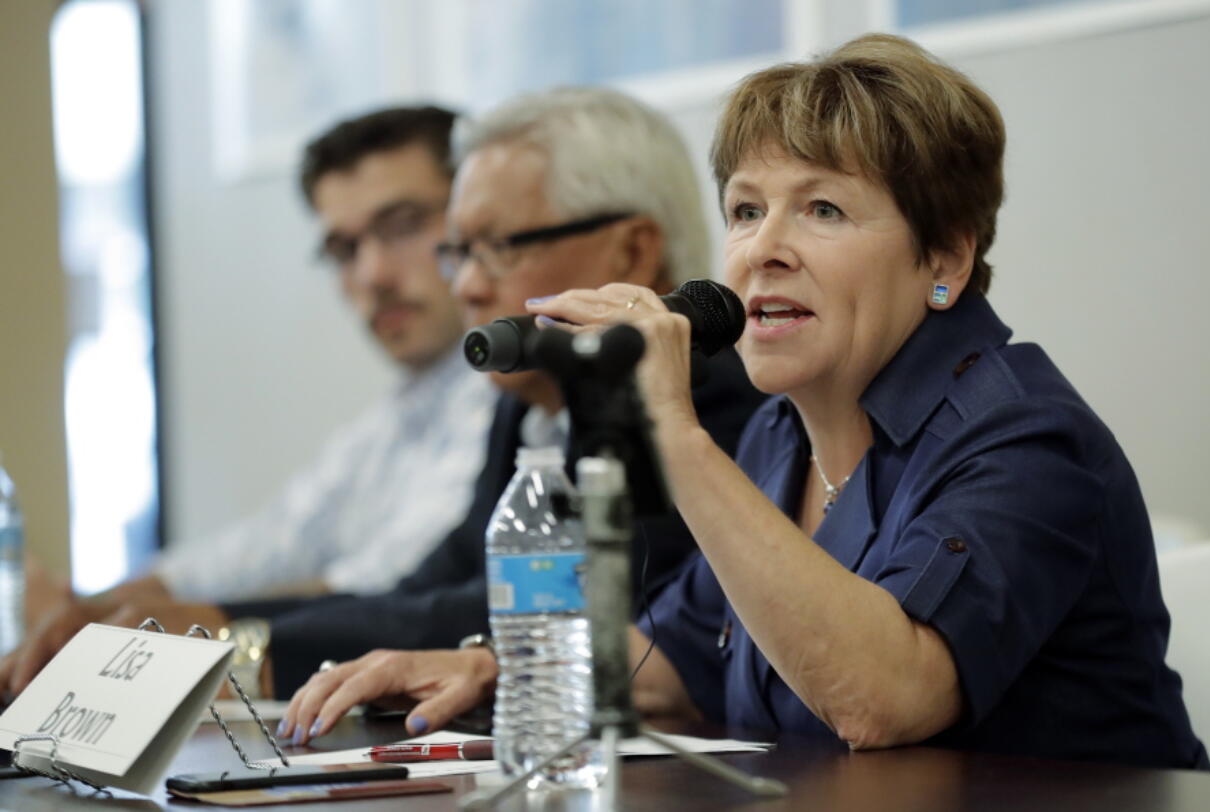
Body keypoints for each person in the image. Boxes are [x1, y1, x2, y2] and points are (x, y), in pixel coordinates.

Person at [280, 36, 1210, 771]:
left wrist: (673, 434)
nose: (763, 248)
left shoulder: (1025, 440)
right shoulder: (779, 435)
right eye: (744, 209)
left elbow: (882, 699)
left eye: (823, 210)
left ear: (946, 259)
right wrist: (486, 668)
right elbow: (666, 665)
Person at [1, 89, 766, 716]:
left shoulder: (699, 398)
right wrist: (217, 629)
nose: (466, 285)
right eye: (458, 251)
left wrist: (237, 642)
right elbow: (429, 589)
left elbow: (548, 612)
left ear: (632, 252)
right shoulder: (530, 400)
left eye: (499, 247)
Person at [1, 107, 496, 689]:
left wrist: (187, 624)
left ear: (474, 221)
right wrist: (88, 610)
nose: (373, 274)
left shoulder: (510, 399)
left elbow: (392, 587)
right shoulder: (396, 417)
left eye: (402, 226)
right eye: (344, 249)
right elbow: (266, 547)